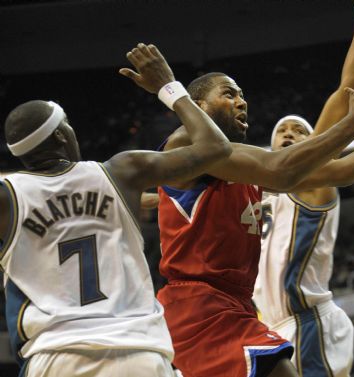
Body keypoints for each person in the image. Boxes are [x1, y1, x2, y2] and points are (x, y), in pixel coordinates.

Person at [152, 31, 354, 377]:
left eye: (299, 132)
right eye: (230, 94)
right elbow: (280, 167)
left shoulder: (265, 177)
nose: (242, 102)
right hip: (207, 307)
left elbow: (345, 160)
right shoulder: (211, 155)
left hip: (259, 312)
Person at [0, 43, 231, 377]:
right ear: (64, 135)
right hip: (137, 352)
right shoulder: (121, 172)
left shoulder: (8, 198)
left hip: (56, 357)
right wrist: (168, 85)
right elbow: (217, 146)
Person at [253, 1, 354, 375]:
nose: (290, 133)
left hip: (306, 322)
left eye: (301, 131)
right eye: (283, 130)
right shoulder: (251, 190)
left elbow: (346, 92)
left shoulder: (310, 181)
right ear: (270, 145)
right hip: (266, 329)